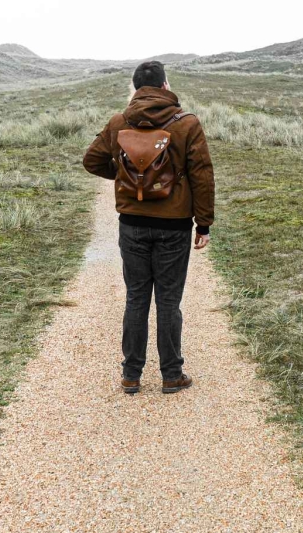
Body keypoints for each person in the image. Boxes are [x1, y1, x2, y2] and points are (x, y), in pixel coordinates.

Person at [82, 60, 215, 395]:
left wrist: (127, 178)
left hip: (132, 225)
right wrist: (203, 224)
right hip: (175, 226)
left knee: (136, 298)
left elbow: (92, 160)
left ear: (136, 88)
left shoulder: (119, 122)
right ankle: (172, 375)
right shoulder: (187, 123)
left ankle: (131, 375)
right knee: (168, 301)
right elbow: (202, 176)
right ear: (165, 86)